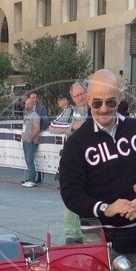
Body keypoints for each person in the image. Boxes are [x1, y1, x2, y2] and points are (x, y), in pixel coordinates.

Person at [58, 69, 136, 271]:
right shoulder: (77, 143)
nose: (103, 109)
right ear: (88, 99)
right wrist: (105, 208)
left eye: (110, 102)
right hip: (97, 240)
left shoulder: (135, 129)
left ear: (119, 98)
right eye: (97, 103)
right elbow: (70, 193)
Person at [55, 81, 89, 243]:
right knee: (71, 196)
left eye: (81, 94)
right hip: (74, 159)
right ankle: (71, 235)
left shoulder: (96, 108)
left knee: (89, 196)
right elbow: (53, 126)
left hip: (92, 159)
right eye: (76, 96)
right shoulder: (70, 111)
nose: (79, 98)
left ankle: (84, 233)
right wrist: (72, 126)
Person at [21, 93, 40, 188]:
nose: (27, 105)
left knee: (30, 160)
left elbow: (37, 128)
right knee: (27, 161)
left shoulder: (35, 115)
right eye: (26, 104)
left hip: (31, 142)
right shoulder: (26, 115)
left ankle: (32, 180)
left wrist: (30, 138)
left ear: (33, 105)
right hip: (25, 141)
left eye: (29, 104)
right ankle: (29, 179)